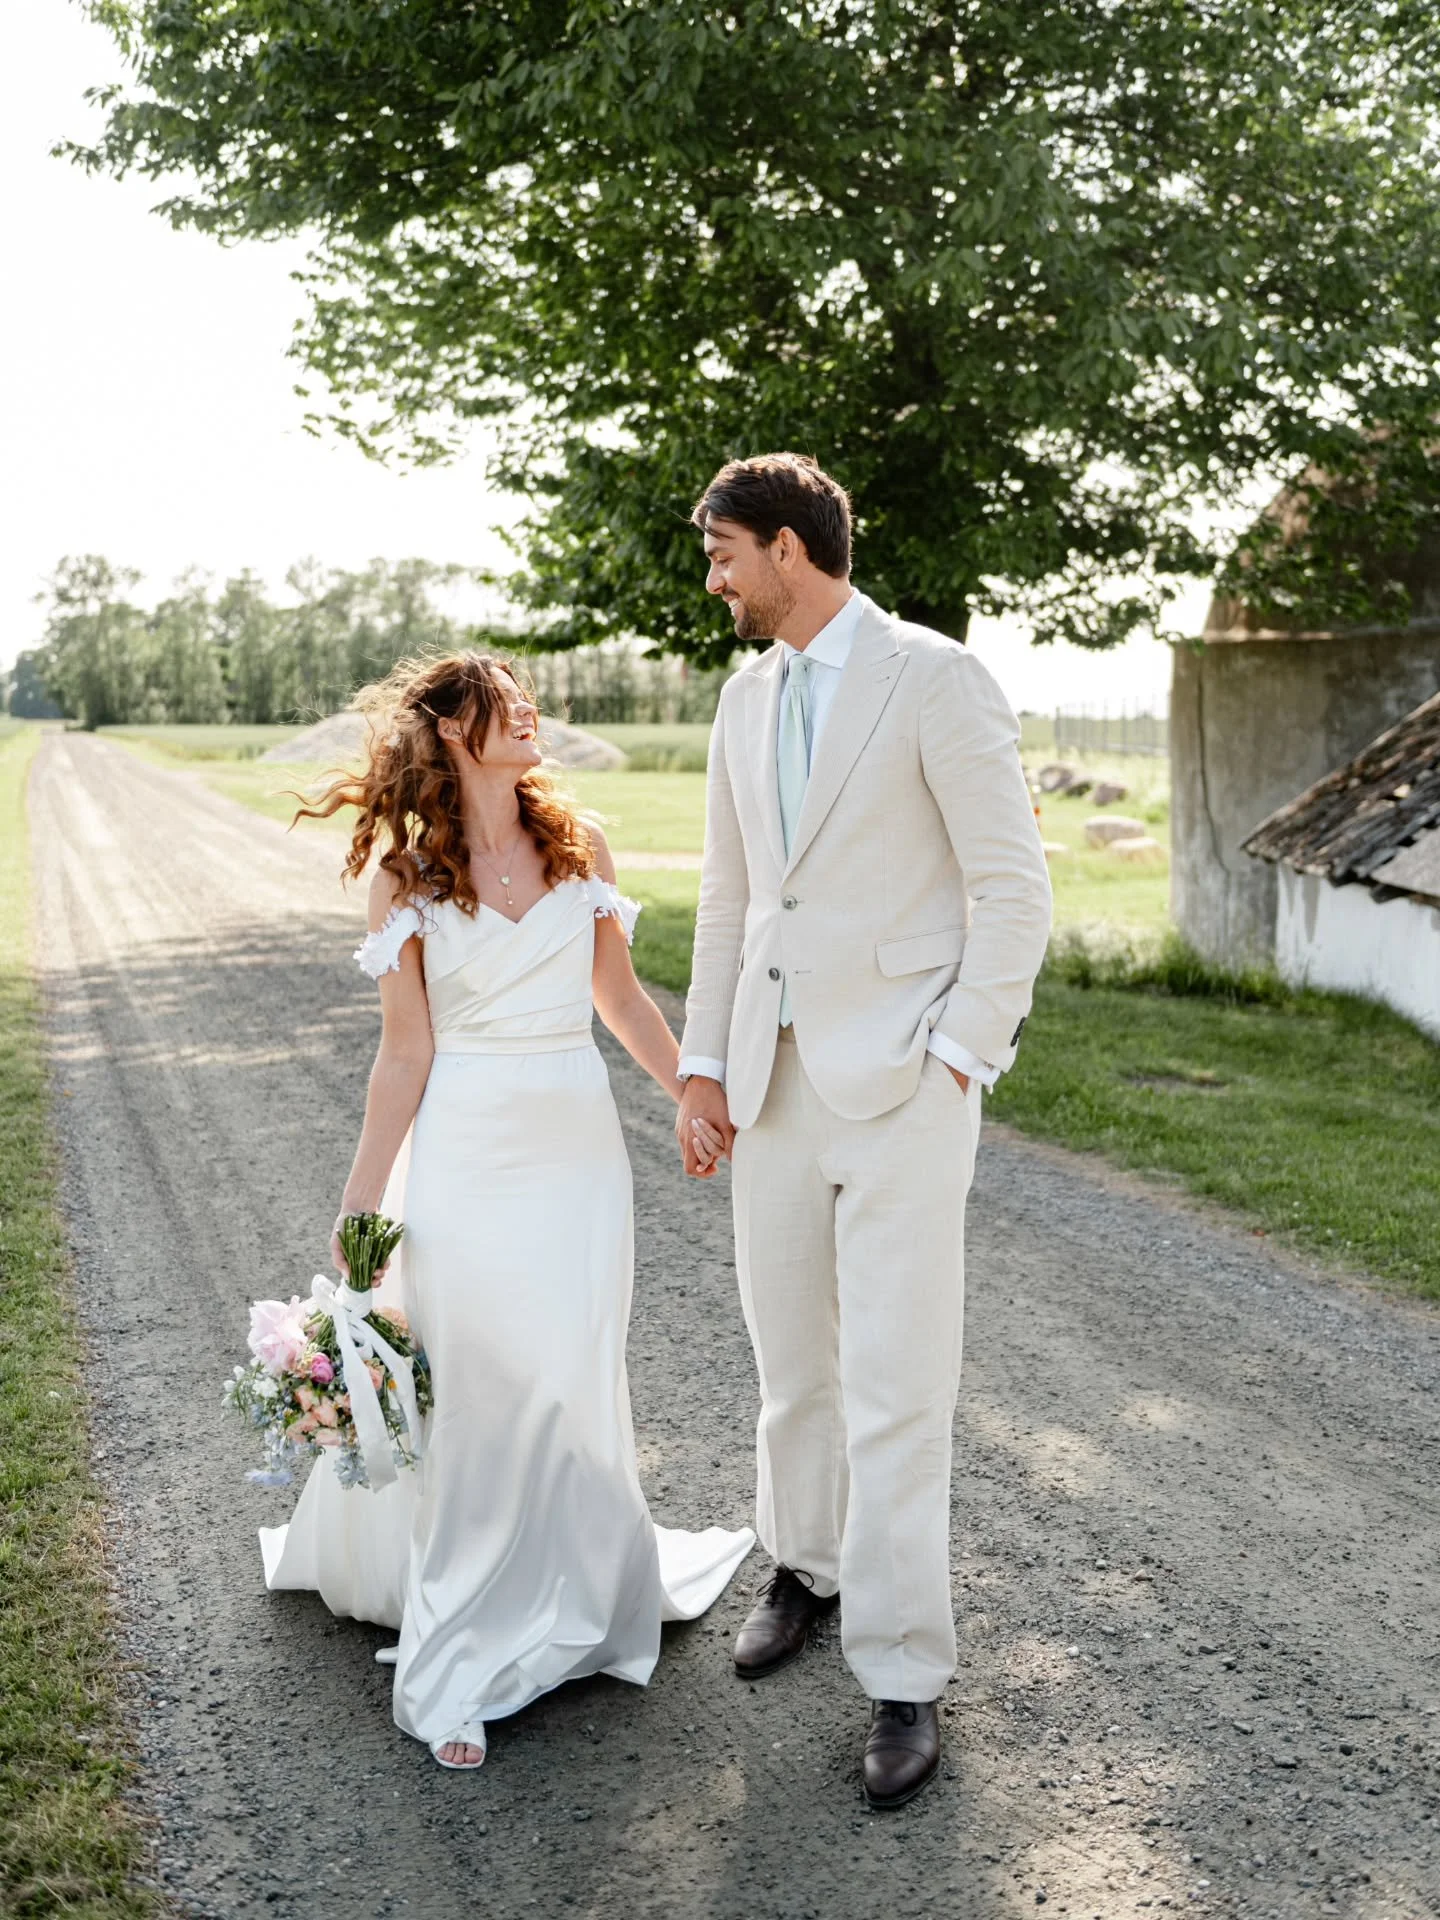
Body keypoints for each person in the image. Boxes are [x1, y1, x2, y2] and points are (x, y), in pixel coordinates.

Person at [259, 650, 753, 1769]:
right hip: (468, 1150)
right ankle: (464, 1648)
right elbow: (404, 1056)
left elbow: (618, 998)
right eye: (503, 703)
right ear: (447, 731)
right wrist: (362, 1199)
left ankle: (580, 1590)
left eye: (530, 699)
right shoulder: (407, 878)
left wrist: (689, 1092)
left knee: (570, 1372)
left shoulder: (580, 847)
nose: (530, 712)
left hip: (574, 1147)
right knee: (485, 1388)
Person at [675, 454, 1052, 1808]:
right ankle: (807, 1568)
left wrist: (961, 1056)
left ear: (789, 548)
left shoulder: (935, 679)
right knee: (793, 1370)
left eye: (724, 553)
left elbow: (1015, 890)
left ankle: (903, 1673)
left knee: (900, 1387)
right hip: (770, 1088)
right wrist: (702, 1067)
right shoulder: (742, 695)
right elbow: (732, 901)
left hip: (905, 1090)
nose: (712, 577)